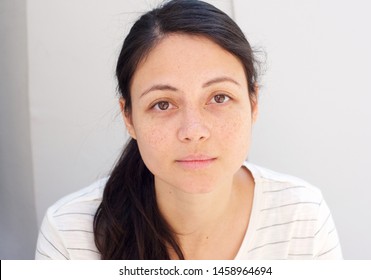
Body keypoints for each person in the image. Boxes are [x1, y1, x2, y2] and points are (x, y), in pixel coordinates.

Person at [35, 0, 342, 260]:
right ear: (128, 117)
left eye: (219, 98)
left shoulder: (303, 219)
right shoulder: (69, 235)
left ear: (253, 103)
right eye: (163, 104)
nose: (193, 132)